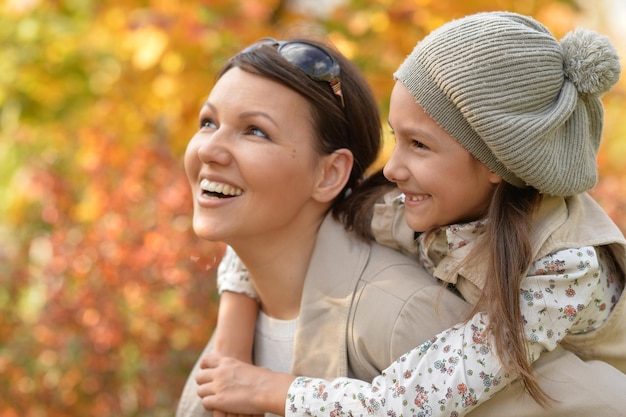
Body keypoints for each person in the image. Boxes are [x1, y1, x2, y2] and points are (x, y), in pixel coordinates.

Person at [194, 11, 626, 417]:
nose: (391, 168)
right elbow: (276, 225)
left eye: (418, 145)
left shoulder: (564, 269)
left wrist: (272, 390)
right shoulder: (424, 204)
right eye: (395, 138)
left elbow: (411, 400)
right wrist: (233, 329)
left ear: (496, 161)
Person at [176, 35, 475, 417]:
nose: (207, 149)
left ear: (329, 174)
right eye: (208, 122)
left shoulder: (401, 317)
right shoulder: (243, 316)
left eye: (255, 130)